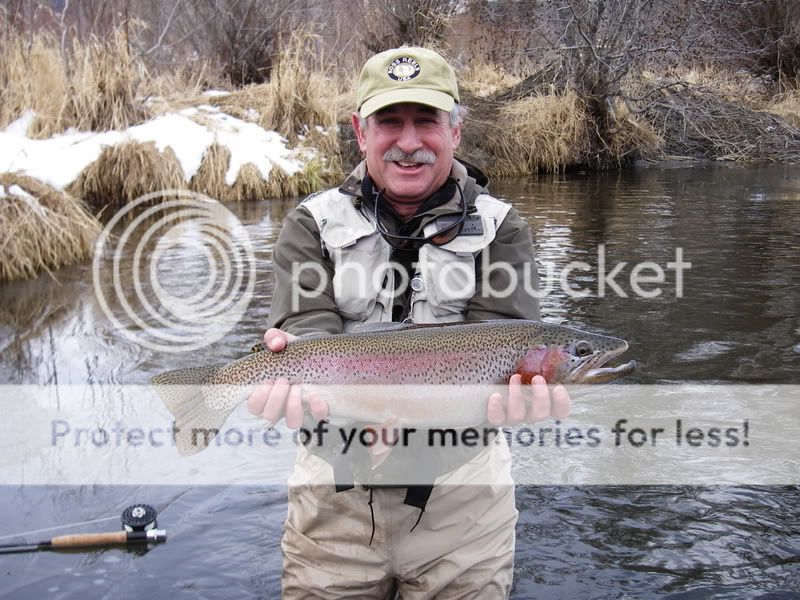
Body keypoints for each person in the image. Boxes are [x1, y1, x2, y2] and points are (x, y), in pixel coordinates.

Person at [246, 46, 570, 599]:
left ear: (456, 131)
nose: (410, 142)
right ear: (360, 131)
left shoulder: (501, 228)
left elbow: (501, 341)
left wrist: (517, 401)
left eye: (428, 121)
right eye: (390, 122)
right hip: (333, 499)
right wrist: (291, 373)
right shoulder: (311, 224)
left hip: (464, 504)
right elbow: (307, 335)